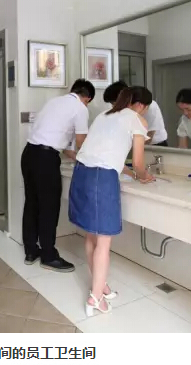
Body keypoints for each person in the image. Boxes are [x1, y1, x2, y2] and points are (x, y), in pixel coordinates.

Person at [68, 86, 155, 317]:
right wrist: (144, 176)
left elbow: (108, 153)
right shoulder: (137, 120)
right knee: (104, 240)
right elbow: (138, 163)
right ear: (142, 106)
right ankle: (96, 298)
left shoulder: (104, 115)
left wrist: (131, 173)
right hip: (101, 178)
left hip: (81, 172)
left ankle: (101, 285)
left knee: (91, 235)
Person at [21, 79, 95, 272]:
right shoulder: (80, 108)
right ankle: (48, 255)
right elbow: (81, 142)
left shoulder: (54, 102)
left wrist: (78, 157)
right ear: (87, 98)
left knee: (32, 203)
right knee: (49, 206)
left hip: (29, 154)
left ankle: (31, 251)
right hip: (46, 159)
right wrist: (93, 158)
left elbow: (64, 146)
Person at [103, 81, 169, 146]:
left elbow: (149, 136)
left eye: (114, 103)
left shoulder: (149, 106)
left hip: (155, 145)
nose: (113, 106)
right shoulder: (125, 109)